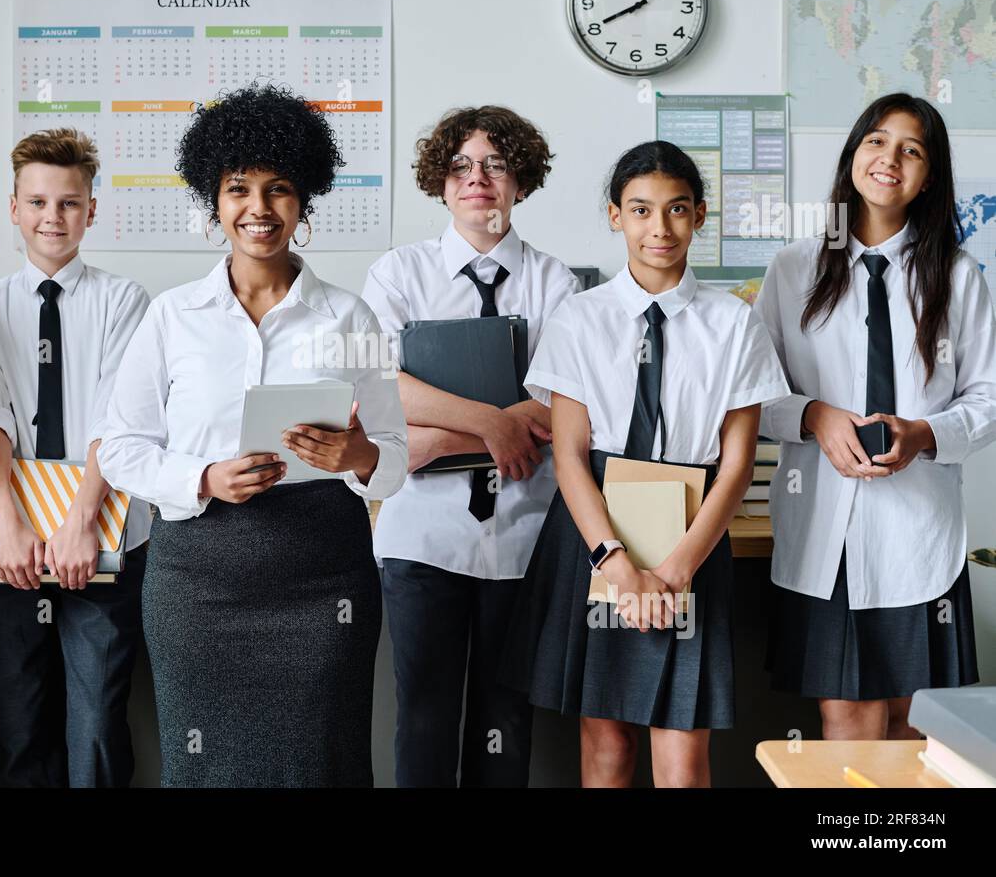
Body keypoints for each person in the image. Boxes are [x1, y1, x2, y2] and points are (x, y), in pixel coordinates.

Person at [97, 83, 407, 786]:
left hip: (323, 580)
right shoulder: (171, 318)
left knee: (319, 765)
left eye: (279, 190)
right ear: (214, 200)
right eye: (239, 189)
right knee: (204, 769)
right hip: (198, 584)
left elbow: (394, 459)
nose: (259, 209)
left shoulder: (349, 317)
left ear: (303, 204)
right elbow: (120, 448)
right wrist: (202, 478)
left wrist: (355, 454)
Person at [500, 141, 790, 786]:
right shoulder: (579, 317)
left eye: (677, 210)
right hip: (596, 534)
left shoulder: (734, 322)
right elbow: (571, 456)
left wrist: (677, 568)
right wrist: (618, 565)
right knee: (606, 744)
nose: (659, 228)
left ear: (700, 216)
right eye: (641, 210)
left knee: (683, 751)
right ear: (615, 217)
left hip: (691, 533)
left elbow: (738, 464)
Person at [757, 93, 990, 740]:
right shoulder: (794, 268)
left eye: (912, 150)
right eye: (877, 141)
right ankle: (850, 842)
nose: (890, 158)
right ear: (853, 154)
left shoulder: (958, 275)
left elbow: (989, 395)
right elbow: (750, 396)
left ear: (930, 175)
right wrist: (813, 416)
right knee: (848, 717)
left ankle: (908, 843)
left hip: (918, 532)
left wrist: (927, 434)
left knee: (915, 721)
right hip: (823, 530)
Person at [360, 105, 580, 786]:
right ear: (440, 181)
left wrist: (432, 435)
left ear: (520, 180)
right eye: (459, 165)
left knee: (504, 721)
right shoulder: (399, 275)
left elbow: (563, 405)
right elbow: (377, 387)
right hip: (422, 534)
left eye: (494, 163)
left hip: (523, 534)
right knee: (422, 718)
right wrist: (493, 423)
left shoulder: (558, 283)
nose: (476, 178)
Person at [0, 128, 152, 786]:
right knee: (19, 728)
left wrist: (80, 522)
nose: (52, 217)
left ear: (91, 210)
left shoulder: (125, 301)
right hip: (9, 542)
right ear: (13, 208)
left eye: (69, 203)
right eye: (37, 202)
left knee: (95, 727)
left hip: (99, 529)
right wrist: (7, 522)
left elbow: (115, 419)